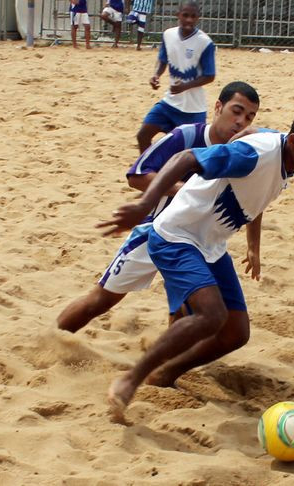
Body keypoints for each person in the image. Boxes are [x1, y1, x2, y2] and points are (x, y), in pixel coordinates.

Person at [97, 108, 294, 423]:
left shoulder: (286, 158)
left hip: (210, 244)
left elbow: (256, 195)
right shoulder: (256, 154)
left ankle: (166, 373)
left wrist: (254, 247)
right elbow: (185, 159)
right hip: (176, 234)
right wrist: (144, 204)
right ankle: (132, 378)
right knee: (212, 316)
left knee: (236, 333)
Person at [57, 82, 261, 334]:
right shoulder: (185, 136)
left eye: (249, 117)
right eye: (236, 111)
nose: (241, 121)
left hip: (200, 241)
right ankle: (51, 340)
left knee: (190, 311)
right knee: (101, 300)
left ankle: (165, 365)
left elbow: (253, 197)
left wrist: (253, 246)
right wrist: (184, 191)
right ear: (218, 107)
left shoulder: (244, 150)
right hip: (156, 231)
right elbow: (137, 175)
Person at [136, 1, 216, 153]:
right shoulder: (168, 35)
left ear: (198, 18)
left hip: (193, 109)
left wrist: (184, 87)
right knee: (143, 136)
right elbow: (163, 59)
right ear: (178, 15)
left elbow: (210, 76)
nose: (189, 20)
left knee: (190, 155)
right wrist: (156, 75)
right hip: (170, 104)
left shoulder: (205, 43)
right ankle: (146, 171)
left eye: (193, 16)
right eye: (185, 15)